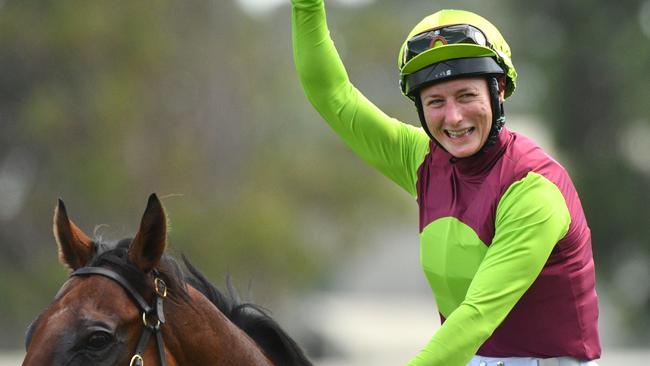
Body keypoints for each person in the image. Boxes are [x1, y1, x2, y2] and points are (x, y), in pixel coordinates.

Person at [290, 1, 601, 365]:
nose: (453, 117)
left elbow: (476, 317)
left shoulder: (534, 188)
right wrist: (306, 5)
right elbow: (332, 95)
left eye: (466, 96)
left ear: (498, 90)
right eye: (435, 101)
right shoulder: (421, 160)